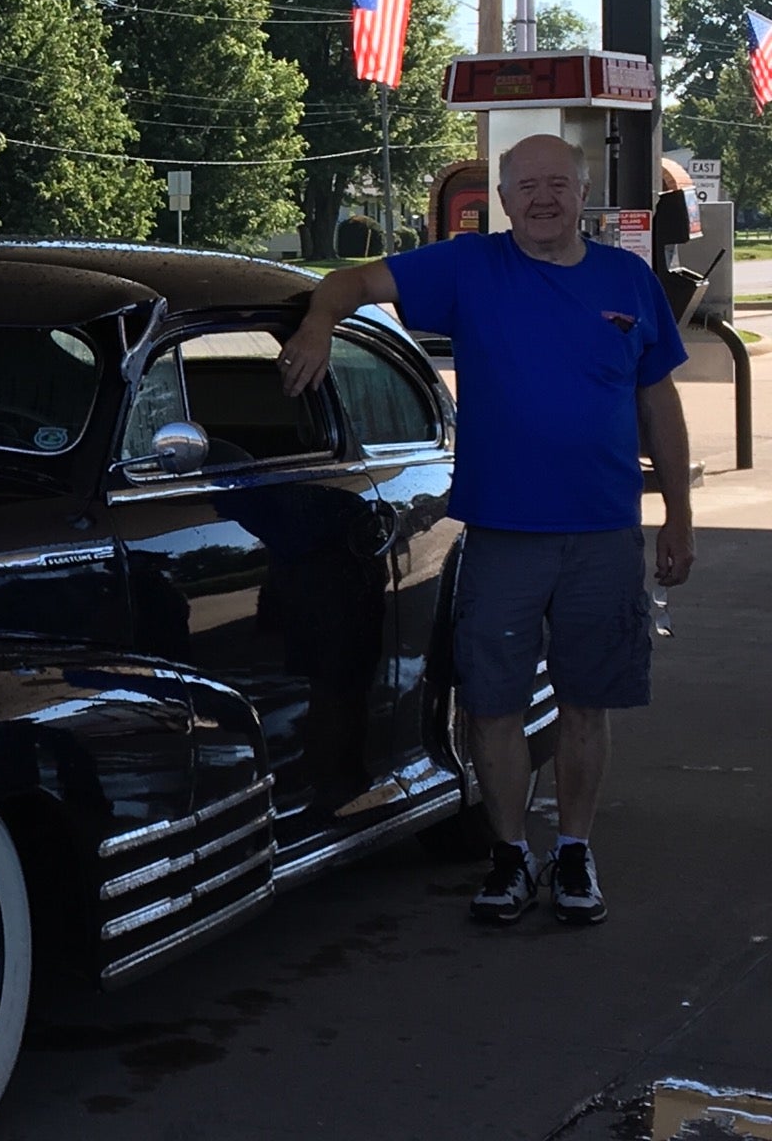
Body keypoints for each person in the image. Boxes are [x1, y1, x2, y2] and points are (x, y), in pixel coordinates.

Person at [276, 133, 695, 926]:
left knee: (586, 701)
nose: (543, 198)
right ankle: (509, 855)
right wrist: (319, 324)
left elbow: (658, 402)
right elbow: (348, 282)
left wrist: (678, 513)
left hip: (604, 533)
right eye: (526, 186)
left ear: (583, 195)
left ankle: (573, 852)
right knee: (492, 701)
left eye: (558, 184)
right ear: (503, 200)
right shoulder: (468, 268)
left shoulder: (626, 280)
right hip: (503, 534)